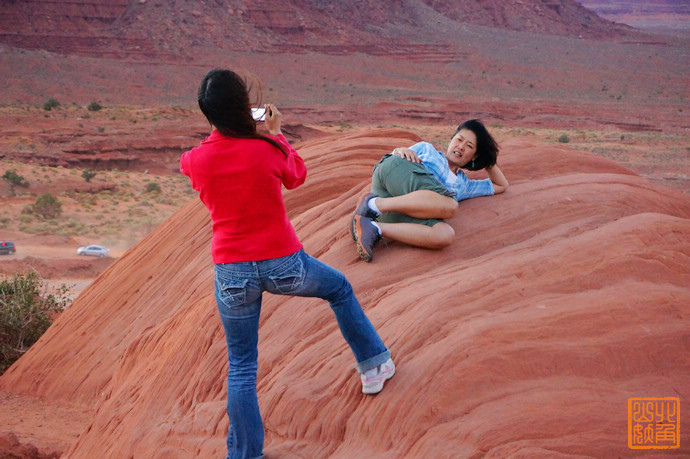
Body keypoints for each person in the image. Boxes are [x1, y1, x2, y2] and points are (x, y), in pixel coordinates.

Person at [180, 68, 395, 459]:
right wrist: (275, 134)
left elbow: (200, 165)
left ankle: (245, 454)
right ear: (245, 107)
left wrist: (221, 133)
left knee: (242, 365)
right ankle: (373, 367)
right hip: (284, 263)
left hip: (231, 271)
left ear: (208, 114)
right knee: (340, 289)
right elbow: (296, 176)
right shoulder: (267, 149)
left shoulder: (195, 160)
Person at [350, 119, 509, 262]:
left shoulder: (464, 185)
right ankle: (371, 204)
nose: (460, 147)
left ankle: (372, 226)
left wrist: (488, 159)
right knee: (451, 205)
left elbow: (501, 185)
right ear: (451, 140)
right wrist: (401, 150)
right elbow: (393, 159)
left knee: (444, 234)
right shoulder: (427, 150)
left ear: (474, 156)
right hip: (392, 180)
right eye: (459, 140)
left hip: (399, 212)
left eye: (469, 146)